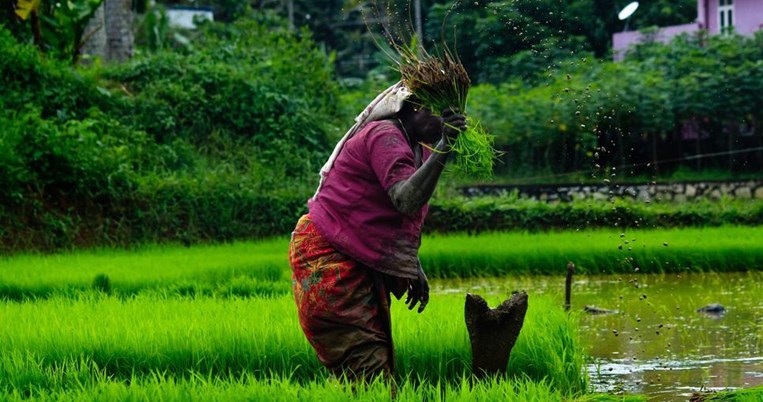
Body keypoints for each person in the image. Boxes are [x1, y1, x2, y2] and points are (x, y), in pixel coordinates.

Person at [288, 81, 467, 384]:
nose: (450, 120)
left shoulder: (415, 147)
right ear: (417, 108)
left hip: (352, 254)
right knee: (367, 368)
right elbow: (405, 199)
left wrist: (410, 265)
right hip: (328, 256)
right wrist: (445, 146)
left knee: (367, 368)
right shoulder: (384, 135)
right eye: (443, 113)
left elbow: (386, 218)